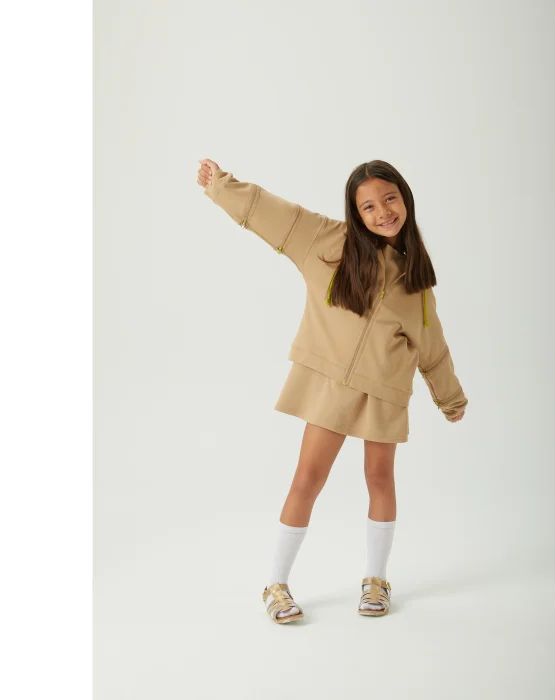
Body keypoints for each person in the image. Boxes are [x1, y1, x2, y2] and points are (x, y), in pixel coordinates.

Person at [196, 158, 468, 623]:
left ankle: (376, 579)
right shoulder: (326, 240)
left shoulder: (416, 283)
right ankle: (276, 584)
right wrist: (222, 187)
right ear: (355, 213)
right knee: (308, 478)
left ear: (405, 200)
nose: (382, 212)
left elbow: (432, 347)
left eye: (390, 199)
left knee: (380, 479)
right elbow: (273, 214)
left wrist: (450, 398)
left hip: (384, 391)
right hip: (330, 385)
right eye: (368, 206)